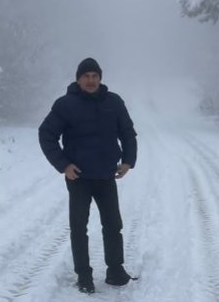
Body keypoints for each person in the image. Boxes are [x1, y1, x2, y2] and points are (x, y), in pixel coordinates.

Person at [38, 57, 138, 294]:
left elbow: (127, 132)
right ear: (78, 79)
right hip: (79, 178)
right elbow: (46, 134)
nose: (91, 80)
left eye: (95, 76)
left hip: (106, 176)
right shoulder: (65, 105)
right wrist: (64, 165)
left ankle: (115, 271)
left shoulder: (114, 102)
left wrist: (128, 161)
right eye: (86, 76)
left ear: (100, 78)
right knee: (79, 227)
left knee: (113, 225)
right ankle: (84, 276)